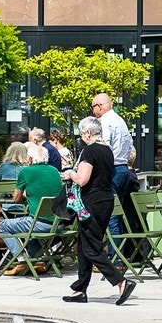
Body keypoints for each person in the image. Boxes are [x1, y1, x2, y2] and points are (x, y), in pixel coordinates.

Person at [62, 116, 135, 305]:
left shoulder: (90, 150)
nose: (81, 136)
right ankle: (80, 289)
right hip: (105, 200)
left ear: (87, 133)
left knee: (91, 248)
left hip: (91, 203)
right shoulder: (106, 150)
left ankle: (120, 281)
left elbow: (82, 179)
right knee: (85, 244)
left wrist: (70, 173)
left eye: (81, 132)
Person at [0, 142, 65, 273]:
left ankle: (21, 260)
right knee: (29, 227)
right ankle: (38, 260)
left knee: (3, 225)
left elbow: (16, 198)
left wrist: (25, 195)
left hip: (41, 223)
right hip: (59, 222)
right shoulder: (54, 171)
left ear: (30, 159)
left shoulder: (26, 171)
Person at [90, 93, 142, 247]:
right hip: (123, 168)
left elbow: (103, 147)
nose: (93, 111)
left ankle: (115, 258)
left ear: (99, 106)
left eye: (93, 107)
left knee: (110, 214)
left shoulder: (104, 122)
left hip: (111, 170)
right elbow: (129, 144)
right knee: (118, 212)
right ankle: (118, 255)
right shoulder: (120, 121)